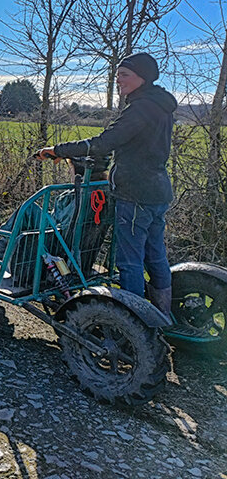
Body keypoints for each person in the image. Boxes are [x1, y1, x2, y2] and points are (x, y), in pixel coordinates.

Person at [36, 52, 177, 316]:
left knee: (129, 261)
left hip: (135, 193)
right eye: (117, 75)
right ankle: (163, 313)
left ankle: (135, 322)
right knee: (155, 255)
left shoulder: (141, 107)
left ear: (142, 77)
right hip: (157, 191)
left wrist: (58, 149)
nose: (118, 80)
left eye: (124, 75)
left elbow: (103, 142)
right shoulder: (160, 106)